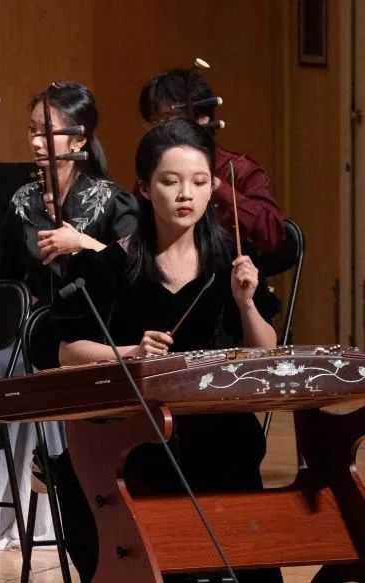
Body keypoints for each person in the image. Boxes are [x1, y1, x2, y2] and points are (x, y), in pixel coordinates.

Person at [53, 118, 281, 583]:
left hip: (218, 429)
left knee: (233, 446)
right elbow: (68, 351)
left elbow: (265, 351)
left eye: (199, 182)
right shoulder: (109, 264)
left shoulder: (231, 264)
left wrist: (246, 303)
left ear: (213, 187)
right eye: (170, 182)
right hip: (138, 433)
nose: (185, 194)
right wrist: (130, 351)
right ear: (143, 187)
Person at [0, 82, 137, 304]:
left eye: (47, 132)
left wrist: (82, 242)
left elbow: (136, 270)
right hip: (41, 319)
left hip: (99, 318)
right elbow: (6, 278)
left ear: (79, 140)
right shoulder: (23, 201)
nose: (36, 141)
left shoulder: (112, 201)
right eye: (33, 130)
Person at [138, 68, 285, 254]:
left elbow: (273, 235)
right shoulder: (156, 169)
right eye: (155, 121)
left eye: (168, 118)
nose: (160, 129)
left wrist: (218, 187)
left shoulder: (239, 170)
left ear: (203, 119)